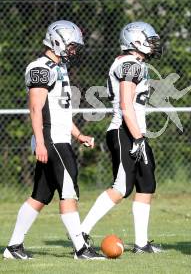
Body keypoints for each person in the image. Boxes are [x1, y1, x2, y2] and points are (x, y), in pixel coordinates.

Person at [3, 20, 103, 260]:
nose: (73, 51)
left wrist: (78, 135)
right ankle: (81, 249)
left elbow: (59, 111)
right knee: (68, 193)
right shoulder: (40, 67)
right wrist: (40, 141)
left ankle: (13, 248)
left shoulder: (59, 68)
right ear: (57, 41)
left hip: (59, 138)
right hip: (52, 140)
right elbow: (36, 109)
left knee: (39, 196)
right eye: (71, 46)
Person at [80, 21, 163, 253]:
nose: (153, 45)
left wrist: (139, 136)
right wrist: (137, 138)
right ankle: (81, 233)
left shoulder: (133, 63)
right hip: (124, 131)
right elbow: (126, 104)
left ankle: (141, 243)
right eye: (149, 40)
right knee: (122, 187)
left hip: (134, 132)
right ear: (135, 41)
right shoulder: (130, 64)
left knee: (146, 184)